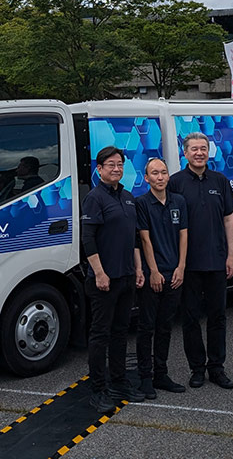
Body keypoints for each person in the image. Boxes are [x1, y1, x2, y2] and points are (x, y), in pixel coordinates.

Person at [167, 132, 233, 390]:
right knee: (190, 319)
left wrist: (231, 254)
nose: (199, 153)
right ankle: (196, 369)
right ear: (185, 153)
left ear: (209, 152)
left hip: (217, 260)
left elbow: (228, 219)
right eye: (194, 149)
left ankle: (217, 368)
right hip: (188, 264)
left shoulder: (220, 181)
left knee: (218, 317)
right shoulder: (175, 183)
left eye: (203, 148)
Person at [82, 146, 146, 414]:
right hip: (104, 280)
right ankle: (98, 390)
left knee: (121, 332)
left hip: (126, 276)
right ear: (99, 169)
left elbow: (134, 238)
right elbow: (88, 239)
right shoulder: (94, 198)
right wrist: (99, 272)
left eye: (120, 164)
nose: (117, 169)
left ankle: (119, 382)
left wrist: (138, 269)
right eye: (111, 165)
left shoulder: (128, 198)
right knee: (100, 334)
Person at [135, 157, 188, 399]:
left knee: (165, 327)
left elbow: (184, 235)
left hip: (174, 274)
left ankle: (161, 374)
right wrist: (153, 271)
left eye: (164, 172)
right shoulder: (142, 204)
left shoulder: (179, 201)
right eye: (155, 173)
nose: (160, 177)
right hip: (153, 276)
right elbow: (145, 239)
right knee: (147, 327)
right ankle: (145, 378)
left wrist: (181, 267)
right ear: (146, 178)